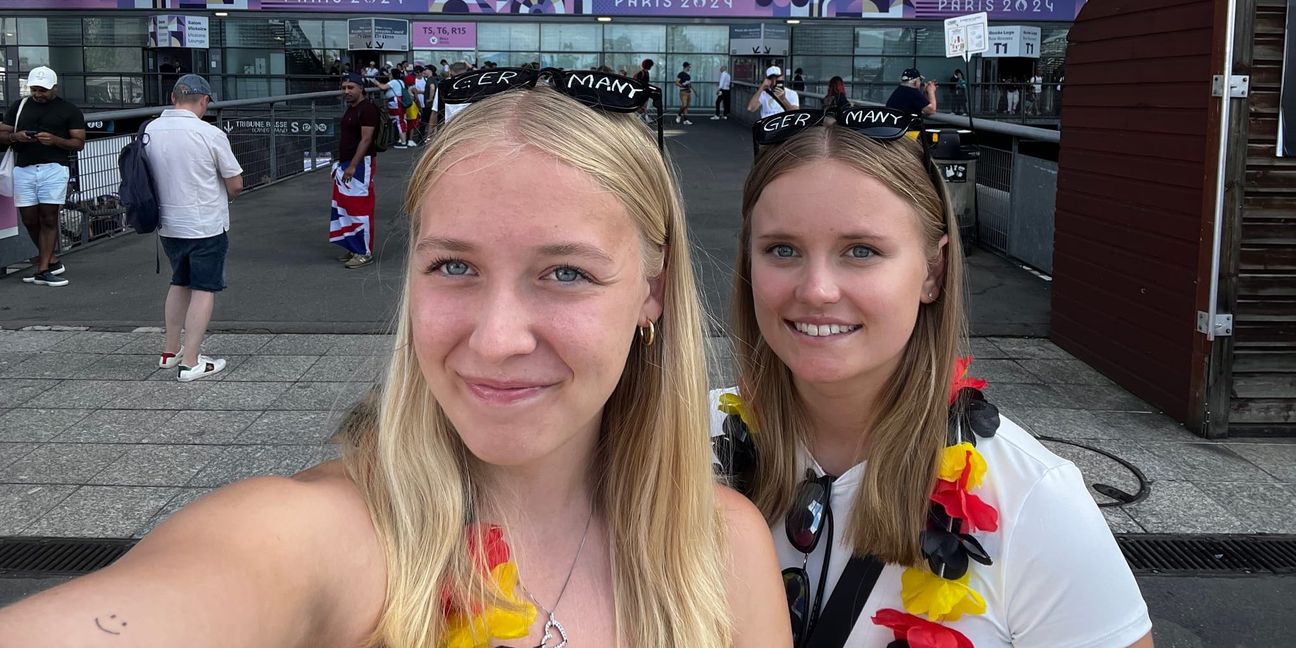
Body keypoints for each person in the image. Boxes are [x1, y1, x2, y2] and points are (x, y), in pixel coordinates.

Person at [0, 75, 791, 648]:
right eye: (454, 266)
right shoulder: (323, 536)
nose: (496, 338)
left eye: (567, 273)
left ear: (651, 293)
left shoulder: (724, 547)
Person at [712, 107, 1156, 647]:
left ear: (933, 271)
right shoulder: (685, 443)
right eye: (782, 250)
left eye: (861, 251)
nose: (817, 289)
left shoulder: (1034, 501)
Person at [145, 75, 244, 382]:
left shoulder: (150, 130)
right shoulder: (208, 133)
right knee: (203, 289)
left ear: (174, 98)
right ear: (204, 101)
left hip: (168, 224)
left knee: (180, 282)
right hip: (205, 224)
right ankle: (191, 362)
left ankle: (169, 351)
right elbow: (235, 184)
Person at [0, 66, 85, 287]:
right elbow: (2, 133)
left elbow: (78, 143)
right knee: (29, 219)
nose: (38, 94)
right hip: (24, 167)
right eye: (35, 89)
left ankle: (43, 268)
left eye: (43, 90)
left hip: (54, 168)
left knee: (48, 217)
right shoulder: (19, 106)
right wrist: (15, 137)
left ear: (54, 87)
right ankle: (51, 260)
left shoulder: (69, 110)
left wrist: (55, 140)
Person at [330, 73, 380, 269]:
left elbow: (366, 139)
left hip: (359, 165)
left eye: (350, 87)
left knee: (360, 208)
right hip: (348, 163)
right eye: (343, 88)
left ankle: (363, 252)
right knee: (346, 206)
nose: (346, 91)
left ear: (361, 88)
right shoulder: (352, 108)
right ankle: (354, 246)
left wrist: (352, 165)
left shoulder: (367, 109)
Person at [374, 72, 410, 148]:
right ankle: (402, 140)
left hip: (395, 102)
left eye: (390, 74)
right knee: (401, 120)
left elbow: (383, 87)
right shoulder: (401, 81)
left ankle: (403, 142)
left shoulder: (393, 82)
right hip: (400, 101)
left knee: (398, 121)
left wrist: (376, 82)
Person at [634, 58, 655, 123]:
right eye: (651, 66)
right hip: (641, 92)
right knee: (642, 106)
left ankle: (643, 117)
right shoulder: (642, 73)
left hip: (644, 92)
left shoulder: (646, 73)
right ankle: (642, 118)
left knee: (644, 106)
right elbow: (638, 83)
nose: (651, 67)